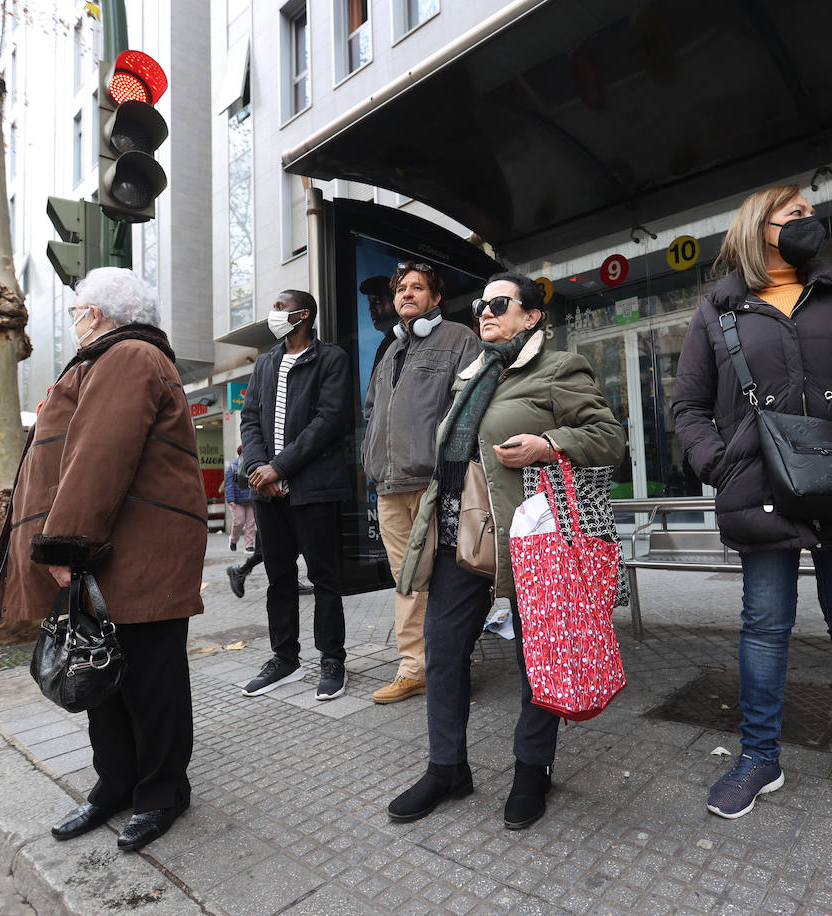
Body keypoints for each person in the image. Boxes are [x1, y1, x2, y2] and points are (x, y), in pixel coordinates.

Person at [671, 185, 832, 841]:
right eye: (793, 213)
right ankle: (759, 758)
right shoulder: (719, 309)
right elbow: (687, 409)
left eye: (809, 212)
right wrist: (720, 465)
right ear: (758, 228)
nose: (808, 220)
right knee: (764, 626)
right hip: (761, 489)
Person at [0, 267, 205, 852]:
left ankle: (161, 793)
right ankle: (116, 785)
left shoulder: (126, 356)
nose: (74, 320)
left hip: (133, 552)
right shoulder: (113, 358)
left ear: (95, 313)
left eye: (77, 311)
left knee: (151, 683)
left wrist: (67, 542)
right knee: (107, 679)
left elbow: (101, 453)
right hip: (116, 553)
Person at [387, 271, 625, 830]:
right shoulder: (471, 375)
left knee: (535, 658)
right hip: (460, 537)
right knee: (443, 652)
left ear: (532, 316)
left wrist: (550, 444)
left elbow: (609, 436)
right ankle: (447, 768)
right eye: (479, 306)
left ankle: (531, 769)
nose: (485, 313)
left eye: (499, 303)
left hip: (529, 539)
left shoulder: (556, 368)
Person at [362, 261, 480, 704]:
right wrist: (370, 460)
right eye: (401, 289)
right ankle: (416, 668)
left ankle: (450, 667)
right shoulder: (390, 351)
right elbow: (371, 410)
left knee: (449, 581)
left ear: (435, 299)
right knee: (408, 581)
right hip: (390, 487)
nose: (406, 294)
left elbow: (469, 408)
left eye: (417, 288)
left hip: (435, 485)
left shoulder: (458, 339)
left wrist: (450, 470)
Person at [233, 290, 353, 701]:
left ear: (304, 314)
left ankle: (332, 660)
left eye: (281, 308)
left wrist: (280, 467)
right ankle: (284, 660)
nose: (274, 313)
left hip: (314, 489)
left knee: (324, 578)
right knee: (279, 579)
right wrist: (255, 468)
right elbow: (249, 418)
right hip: (268, 494)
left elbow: (329, 420)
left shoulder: (331, 358)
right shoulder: (265, 362)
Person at [360, 274, 400, 374]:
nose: (370, 309)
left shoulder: (401, 342)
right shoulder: (385, 344)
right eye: (370, 302)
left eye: (377, 301)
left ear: (394, 302)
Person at [223, 445, 254, 553]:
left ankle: (249, 546)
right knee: (239, 522)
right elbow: (229, 486)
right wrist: (231, 499)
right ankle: (233, 540)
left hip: (250, 499)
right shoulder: (232, 468)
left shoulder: (252, 466)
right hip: (237, 501)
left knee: (251, 523)